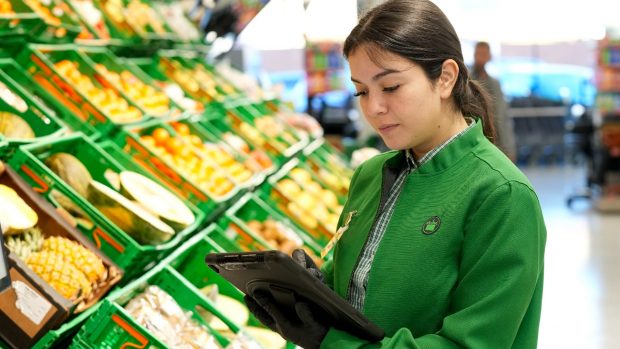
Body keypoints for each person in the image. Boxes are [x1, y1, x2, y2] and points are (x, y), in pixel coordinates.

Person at [244, 1, 547, 348]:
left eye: (390, 87)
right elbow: (361, 291)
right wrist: (314, 292)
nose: (374, 107)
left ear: (445, 77)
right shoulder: (371, 174)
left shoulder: (502, 195)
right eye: (361, 91)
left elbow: (471, 344)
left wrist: (331, 341)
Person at [471, 41, 518, 161]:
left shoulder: (495, 85)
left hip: (495, 142)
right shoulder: (466, 82)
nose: (481, 57)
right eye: (478, 53)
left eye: (484, 54)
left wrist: (509, 148)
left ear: (489, 57)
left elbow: (503, 117)